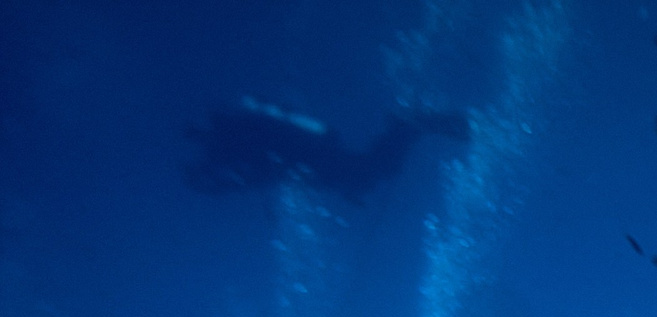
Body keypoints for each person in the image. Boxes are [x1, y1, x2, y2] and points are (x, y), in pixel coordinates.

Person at [186, 98, 468, 202]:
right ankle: (407, 127)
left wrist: (217, 185)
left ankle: (408, 127)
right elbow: (260, 172)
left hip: (312, 156)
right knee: (369, 173)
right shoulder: (239, 135)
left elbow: (260, 174)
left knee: (372, 172)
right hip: (314, 153)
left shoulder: (237, 141)